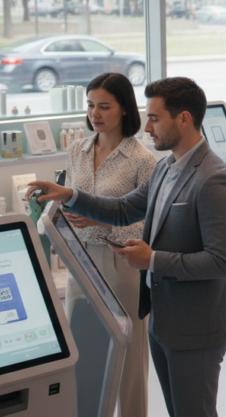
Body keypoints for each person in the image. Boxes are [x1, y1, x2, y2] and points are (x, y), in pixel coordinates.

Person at [28, 77, 226, 417]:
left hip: (196, 326)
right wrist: (70, 195)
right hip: (164, 320)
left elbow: (222, 261)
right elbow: (123, 208)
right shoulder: (168, 167)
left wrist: (152, 259)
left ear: (183, 119)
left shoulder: (214, 178)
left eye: (155, 118)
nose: (147, 127)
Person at [63, 72, 156, 416]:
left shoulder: (143, 160)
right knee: (81, 349)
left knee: (129, 356)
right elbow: (70, 198)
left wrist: (99, 220)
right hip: (80, 262)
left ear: (124, 110)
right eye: (90, 105)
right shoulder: (76, 150)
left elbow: (147, 225)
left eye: (104, 106)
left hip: (122, 264)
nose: (94, 113)